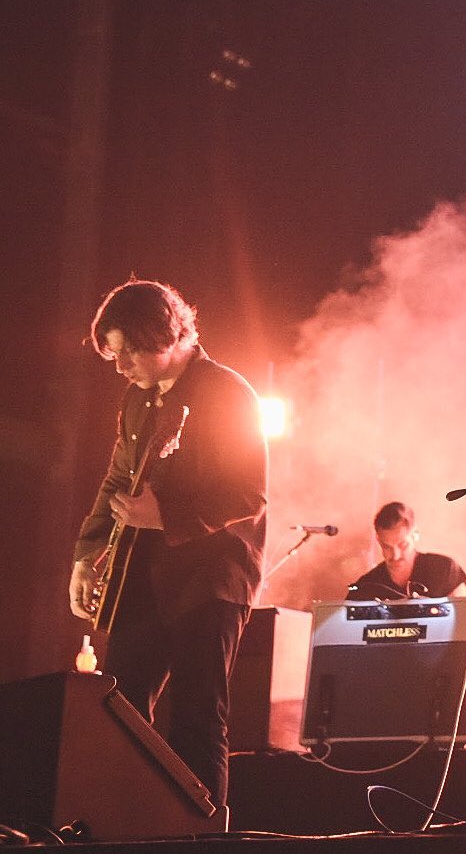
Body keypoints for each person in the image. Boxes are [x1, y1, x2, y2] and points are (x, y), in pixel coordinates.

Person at [68, 278, 267, 809]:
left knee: (198, 719)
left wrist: (167, 515)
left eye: (125, 350)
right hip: (146, 579)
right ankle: (128, 825)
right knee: (119, 710)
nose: (119, 365)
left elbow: (249, 492)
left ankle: (202, 837)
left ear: (162, 334)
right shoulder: (136, 402)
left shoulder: (226, 391)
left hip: (211, 579)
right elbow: (115, 482)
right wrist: (87, 556)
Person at [349, 501, 466, 600]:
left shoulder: (444, 570)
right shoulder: (366, 586)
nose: (395, 555)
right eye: (387, 547)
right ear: (378, 540)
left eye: (402, 545)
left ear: (415, 534)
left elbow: (462, 619)